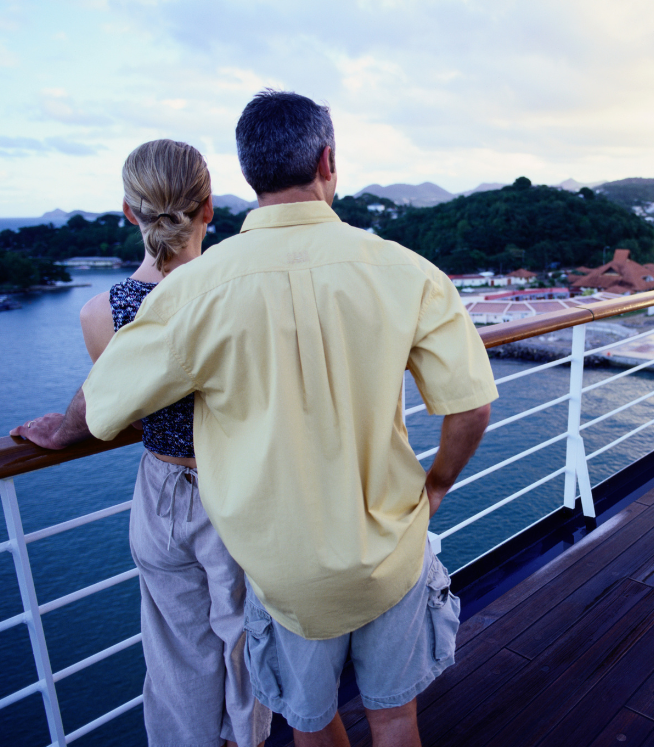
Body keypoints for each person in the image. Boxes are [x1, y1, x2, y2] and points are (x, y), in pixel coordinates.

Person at [12, 92, 498, 747]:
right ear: (328, 160)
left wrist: (63, 430)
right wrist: (435, 486)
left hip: (283, 571)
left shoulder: (194, 290)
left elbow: (102, 400)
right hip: (392, 552)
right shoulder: (407, 271)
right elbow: (471, 405)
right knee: (394, 720)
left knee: (309, 719)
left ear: (247, 175)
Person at [17, 139, 271, 747]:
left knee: (177, 661)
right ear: (209, 207)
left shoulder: (101, 314)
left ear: (129, 213)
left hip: (160, 496)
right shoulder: (242, 293)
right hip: (236, 492)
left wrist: (67, 424)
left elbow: (129, 415)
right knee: (246, 646)